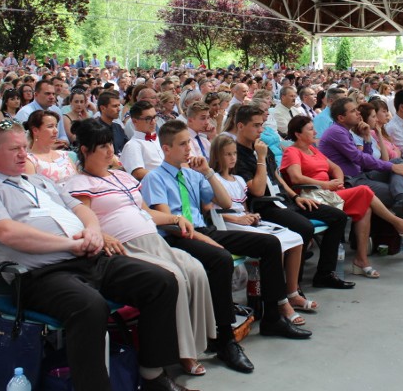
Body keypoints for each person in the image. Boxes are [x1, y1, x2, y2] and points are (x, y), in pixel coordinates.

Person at [0, 120, 190, 391]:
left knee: (161, 281)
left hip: (86, 258)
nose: (23, 154)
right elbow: (7, 233)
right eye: (14, 149)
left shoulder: (39, 181)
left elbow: (81, 210)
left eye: (24, 147)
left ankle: (152, 376)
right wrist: (68, 245)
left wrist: (93, 231)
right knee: (90, 306)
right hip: (39, 275)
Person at [66, 118, 217, 377]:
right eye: (101, 147)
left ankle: (194, 343)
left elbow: (145, 211)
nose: (110, 151)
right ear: (85, 151)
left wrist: (174, 218)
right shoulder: (80, 184)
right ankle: (180, 353)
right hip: (126, 246)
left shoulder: (122, 176)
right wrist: (102, 235)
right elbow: (80, 222)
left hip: (152, 239)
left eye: (110, 145)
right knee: (175, 276)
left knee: (195, 270)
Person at [141, 120, 312, 343]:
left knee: (270, 244)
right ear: (166, 148)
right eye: (182, 144)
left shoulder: (193, 174)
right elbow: (168, 222)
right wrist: (205, 238)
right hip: (178, 236)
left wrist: (208, 172)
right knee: (220, 258)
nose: (189, 149)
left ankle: (273, 318)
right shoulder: (155, 178)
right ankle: (224, 336)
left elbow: (224, 202)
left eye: (188, 144)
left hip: (204, 229)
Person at [281, 116, 403, 278]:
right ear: (298, 134)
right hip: (313, 195)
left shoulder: (313, 149)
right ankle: (399, 224)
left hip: (329, 193)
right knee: (363, 191)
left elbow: (335, 167)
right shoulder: (292, 152)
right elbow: (296, 178)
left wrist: (339, 181)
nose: (315, 132)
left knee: (366, 207)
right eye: (310, 129)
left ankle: (361, 260)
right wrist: (327, 185)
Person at [231, 105, 355, 288]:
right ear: (241, 126)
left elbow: (277, 179)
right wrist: (260, 158)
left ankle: (325, 274)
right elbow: (256, 190)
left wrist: (295, 197)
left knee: (338, 217)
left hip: (283, 200)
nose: (261, 130)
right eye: (256, 126)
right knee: (304, 228)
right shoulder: (237, 154)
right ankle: (292, 286)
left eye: (262, 125)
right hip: (264, 205)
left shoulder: (262, 148)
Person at [318, 98, 403, 263]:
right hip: (351, 182)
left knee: (398, 165)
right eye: (353, 111)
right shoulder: (336, 132)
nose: (358, 113)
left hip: (362, 175)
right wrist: (390, 168)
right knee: (399, 190)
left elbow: (367, 157)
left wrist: (367, 138)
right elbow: (359, 158)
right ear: (341, 117)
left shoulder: (345, 131)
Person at [209, 134, 314, 312]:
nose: (233, 158)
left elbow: (243, 207)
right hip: (228, 224)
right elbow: (212, 211)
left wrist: (251, 215)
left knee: (296, 239)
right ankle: (279, 301)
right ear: (218, 156)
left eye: (234, 153)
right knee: (275, 245)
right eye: (228, 154)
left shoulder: (239, 180)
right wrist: (237, 218)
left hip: (245, 221)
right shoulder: (214, 180)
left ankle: (292, 292)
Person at [23, 110, 77, 186]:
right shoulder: (29, 161)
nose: (56, 131)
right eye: (50, 126)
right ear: (35, 130)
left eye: (56, 126)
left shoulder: (64, 155)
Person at [15, 80, 70, 147]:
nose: (52, 97)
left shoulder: (56, 110)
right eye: (47, 94)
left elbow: (62, 135)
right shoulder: (25, 112)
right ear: (36, 95)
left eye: (53, 94)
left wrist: (63, 142)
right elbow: (23, 142)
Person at [120, 100, 164, 180]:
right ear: (135, 121)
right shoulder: (132, 145)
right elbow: (138, 172)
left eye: (154, 117)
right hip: (156, 185)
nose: (153, 122)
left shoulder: (160, 138)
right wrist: (166, 177)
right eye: (148, 119)